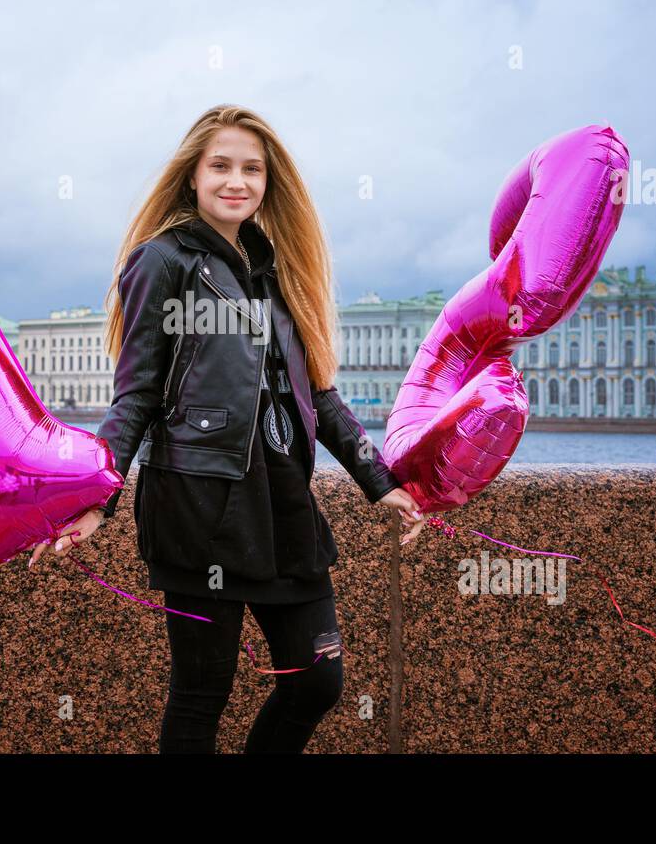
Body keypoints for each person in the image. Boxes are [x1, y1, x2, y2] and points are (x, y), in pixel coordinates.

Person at [29, 104, 424, 753]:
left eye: (251, 169)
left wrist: (380, 481)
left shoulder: (279, 267)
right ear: (192, 176)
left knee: (318, 679)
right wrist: (96, 498)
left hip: (284, 508)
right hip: (198, 504)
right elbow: (135, 396)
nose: (235, 180)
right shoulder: (161, 261)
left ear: (268, 181)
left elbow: (319, 395)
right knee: (200, 694)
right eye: (220, 166)